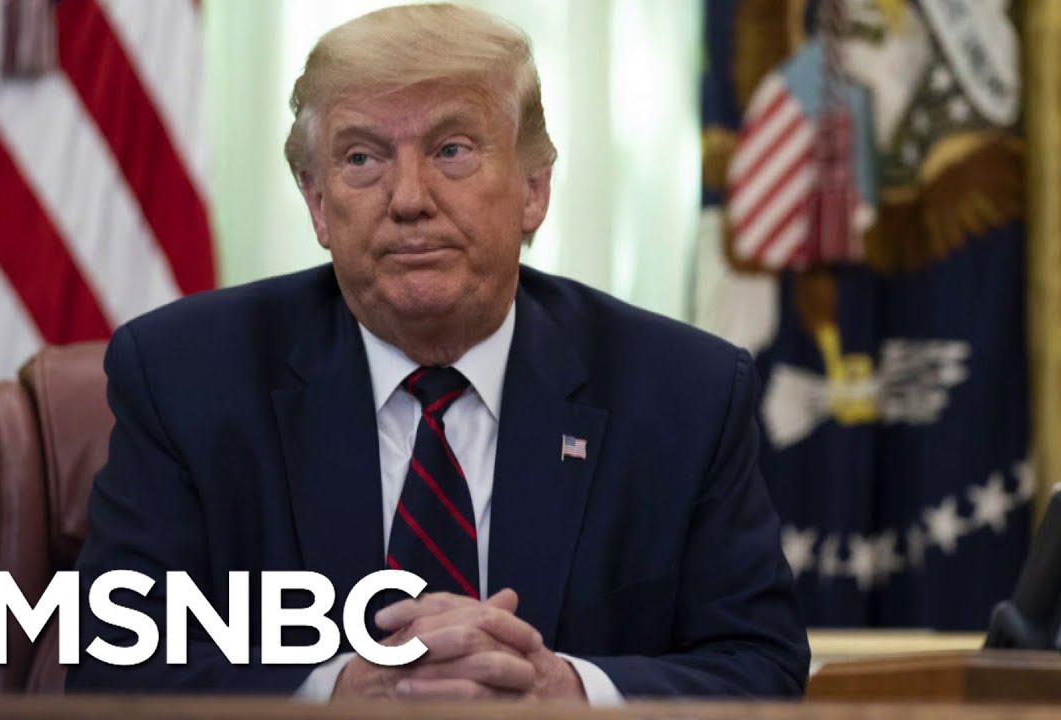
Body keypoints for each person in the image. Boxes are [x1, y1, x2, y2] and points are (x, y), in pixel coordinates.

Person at [68, 3, 809, 702]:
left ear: (534, 189)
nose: (409, 198)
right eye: (362, 158)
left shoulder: (684, 392)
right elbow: (109, 660)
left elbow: (760, 665)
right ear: (318, 203)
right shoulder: (186, 378)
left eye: (452, 150)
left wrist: (569, 691)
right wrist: (333, 693)